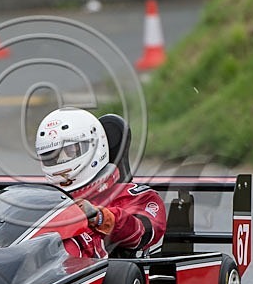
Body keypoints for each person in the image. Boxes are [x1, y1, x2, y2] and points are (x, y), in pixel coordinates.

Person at [35, 107, 165, 259]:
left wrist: (100, 217)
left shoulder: (134, 195)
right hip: (39, 268)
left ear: (96, 147)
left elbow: (143, 233)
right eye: (51, 156)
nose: (60, 162)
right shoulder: (45, 200)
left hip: (100, 271)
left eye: (69, 151)